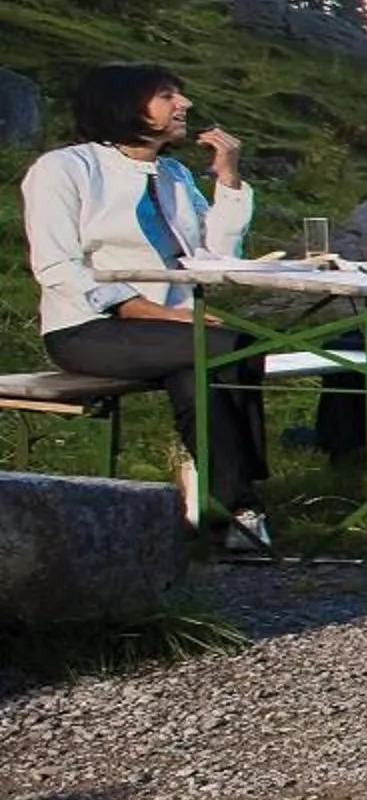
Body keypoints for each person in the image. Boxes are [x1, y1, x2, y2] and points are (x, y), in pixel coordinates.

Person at [19, 62, 274, 555]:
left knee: (199, 370)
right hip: (89, 328)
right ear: (125, 106)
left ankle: (224, 507)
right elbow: (56, 266)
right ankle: (238, 503)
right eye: (167, 95)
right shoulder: (64, 169)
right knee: (227, 345)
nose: (184, 104)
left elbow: (214, 259)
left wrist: (228, 178)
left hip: (173, 334)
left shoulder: (174, 174)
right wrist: (145, 310)